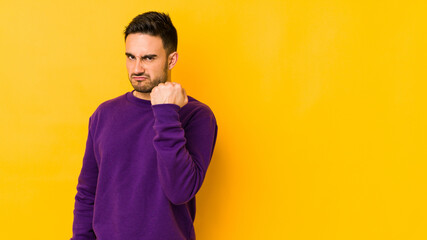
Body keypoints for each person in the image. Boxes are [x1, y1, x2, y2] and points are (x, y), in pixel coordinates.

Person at [71, 11, 218, 240]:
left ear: (171, 60)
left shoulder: (196, 116)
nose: (137, 69)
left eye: (148, 58)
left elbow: (180, 190)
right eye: (131, 57)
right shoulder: (105, 114)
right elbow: (87, 193)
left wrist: (166, 113)